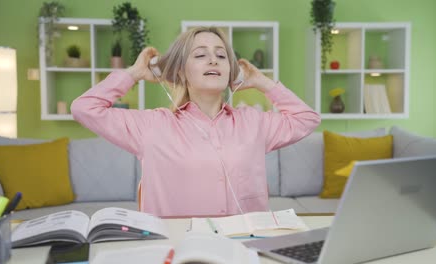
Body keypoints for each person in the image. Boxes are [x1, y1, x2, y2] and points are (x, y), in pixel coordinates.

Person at [71, 27, 320, 218]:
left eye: (221, 55)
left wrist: (263, 82)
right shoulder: (151, 126)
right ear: (181, 72)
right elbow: (84, 108)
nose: (213, 60)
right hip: (176, 251)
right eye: (200, 54)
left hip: (243, 251)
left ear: (231, 72)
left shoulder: (253, 123)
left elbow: (307, 119)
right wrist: (134, 74)